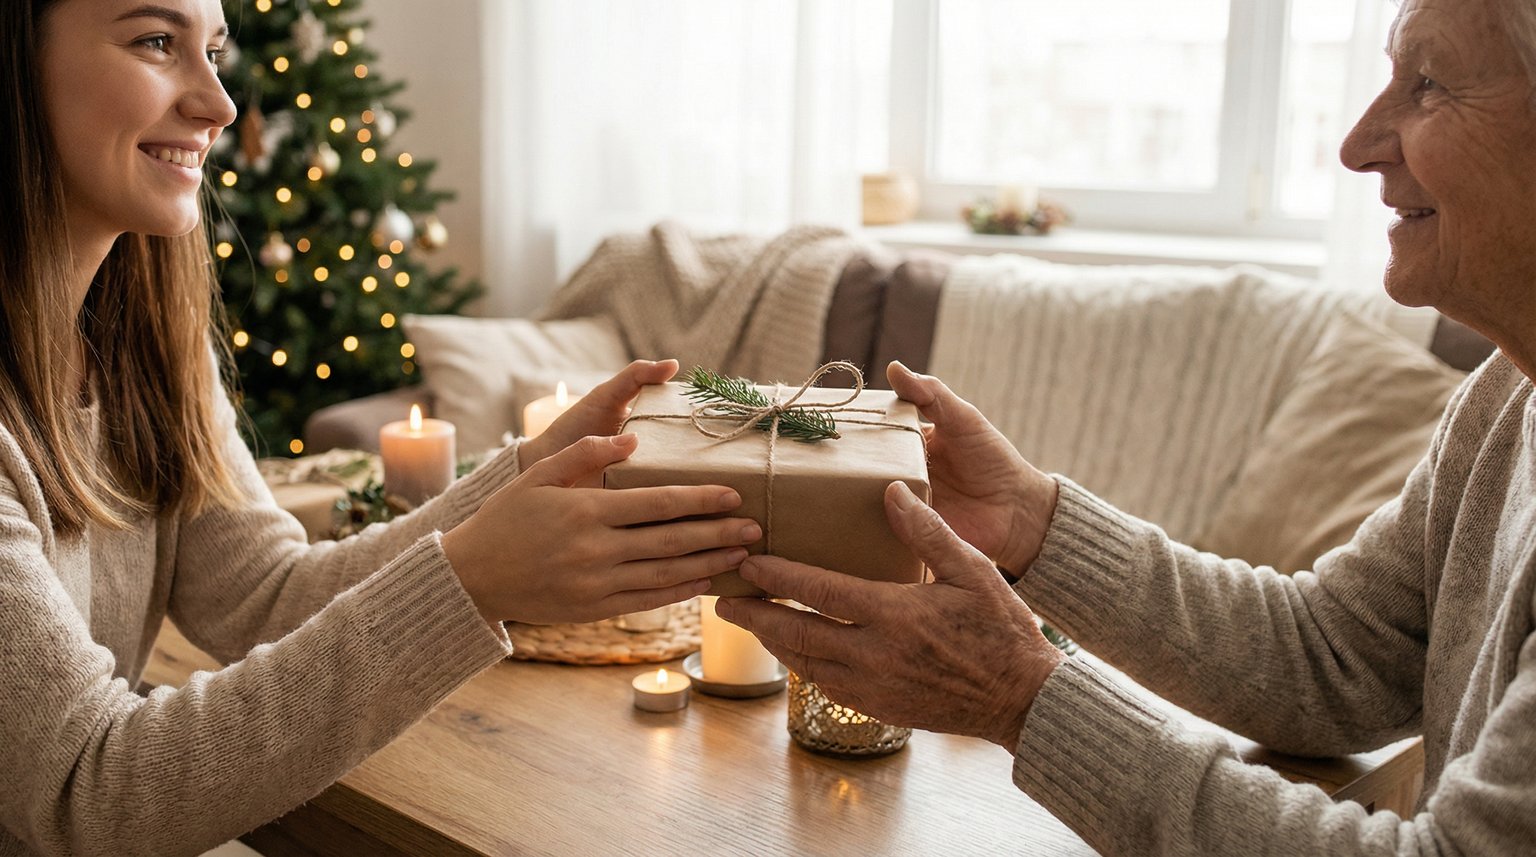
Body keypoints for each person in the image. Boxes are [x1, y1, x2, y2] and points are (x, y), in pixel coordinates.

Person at [718, 0, 1536, 852]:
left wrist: (1020, 697)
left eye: (1429, 83)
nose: (1358, 143)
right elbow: (1329, 655)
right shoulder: (1507, 394)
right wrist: (1031, 521)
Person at [0, 1, 762, 854]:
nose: (218, 105)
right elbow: (90, 791)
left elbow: (267, 597)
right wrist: (471, 579)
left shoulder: (145, 350)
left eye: (213, 51)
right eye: (155, 43)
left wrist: (525, 476)